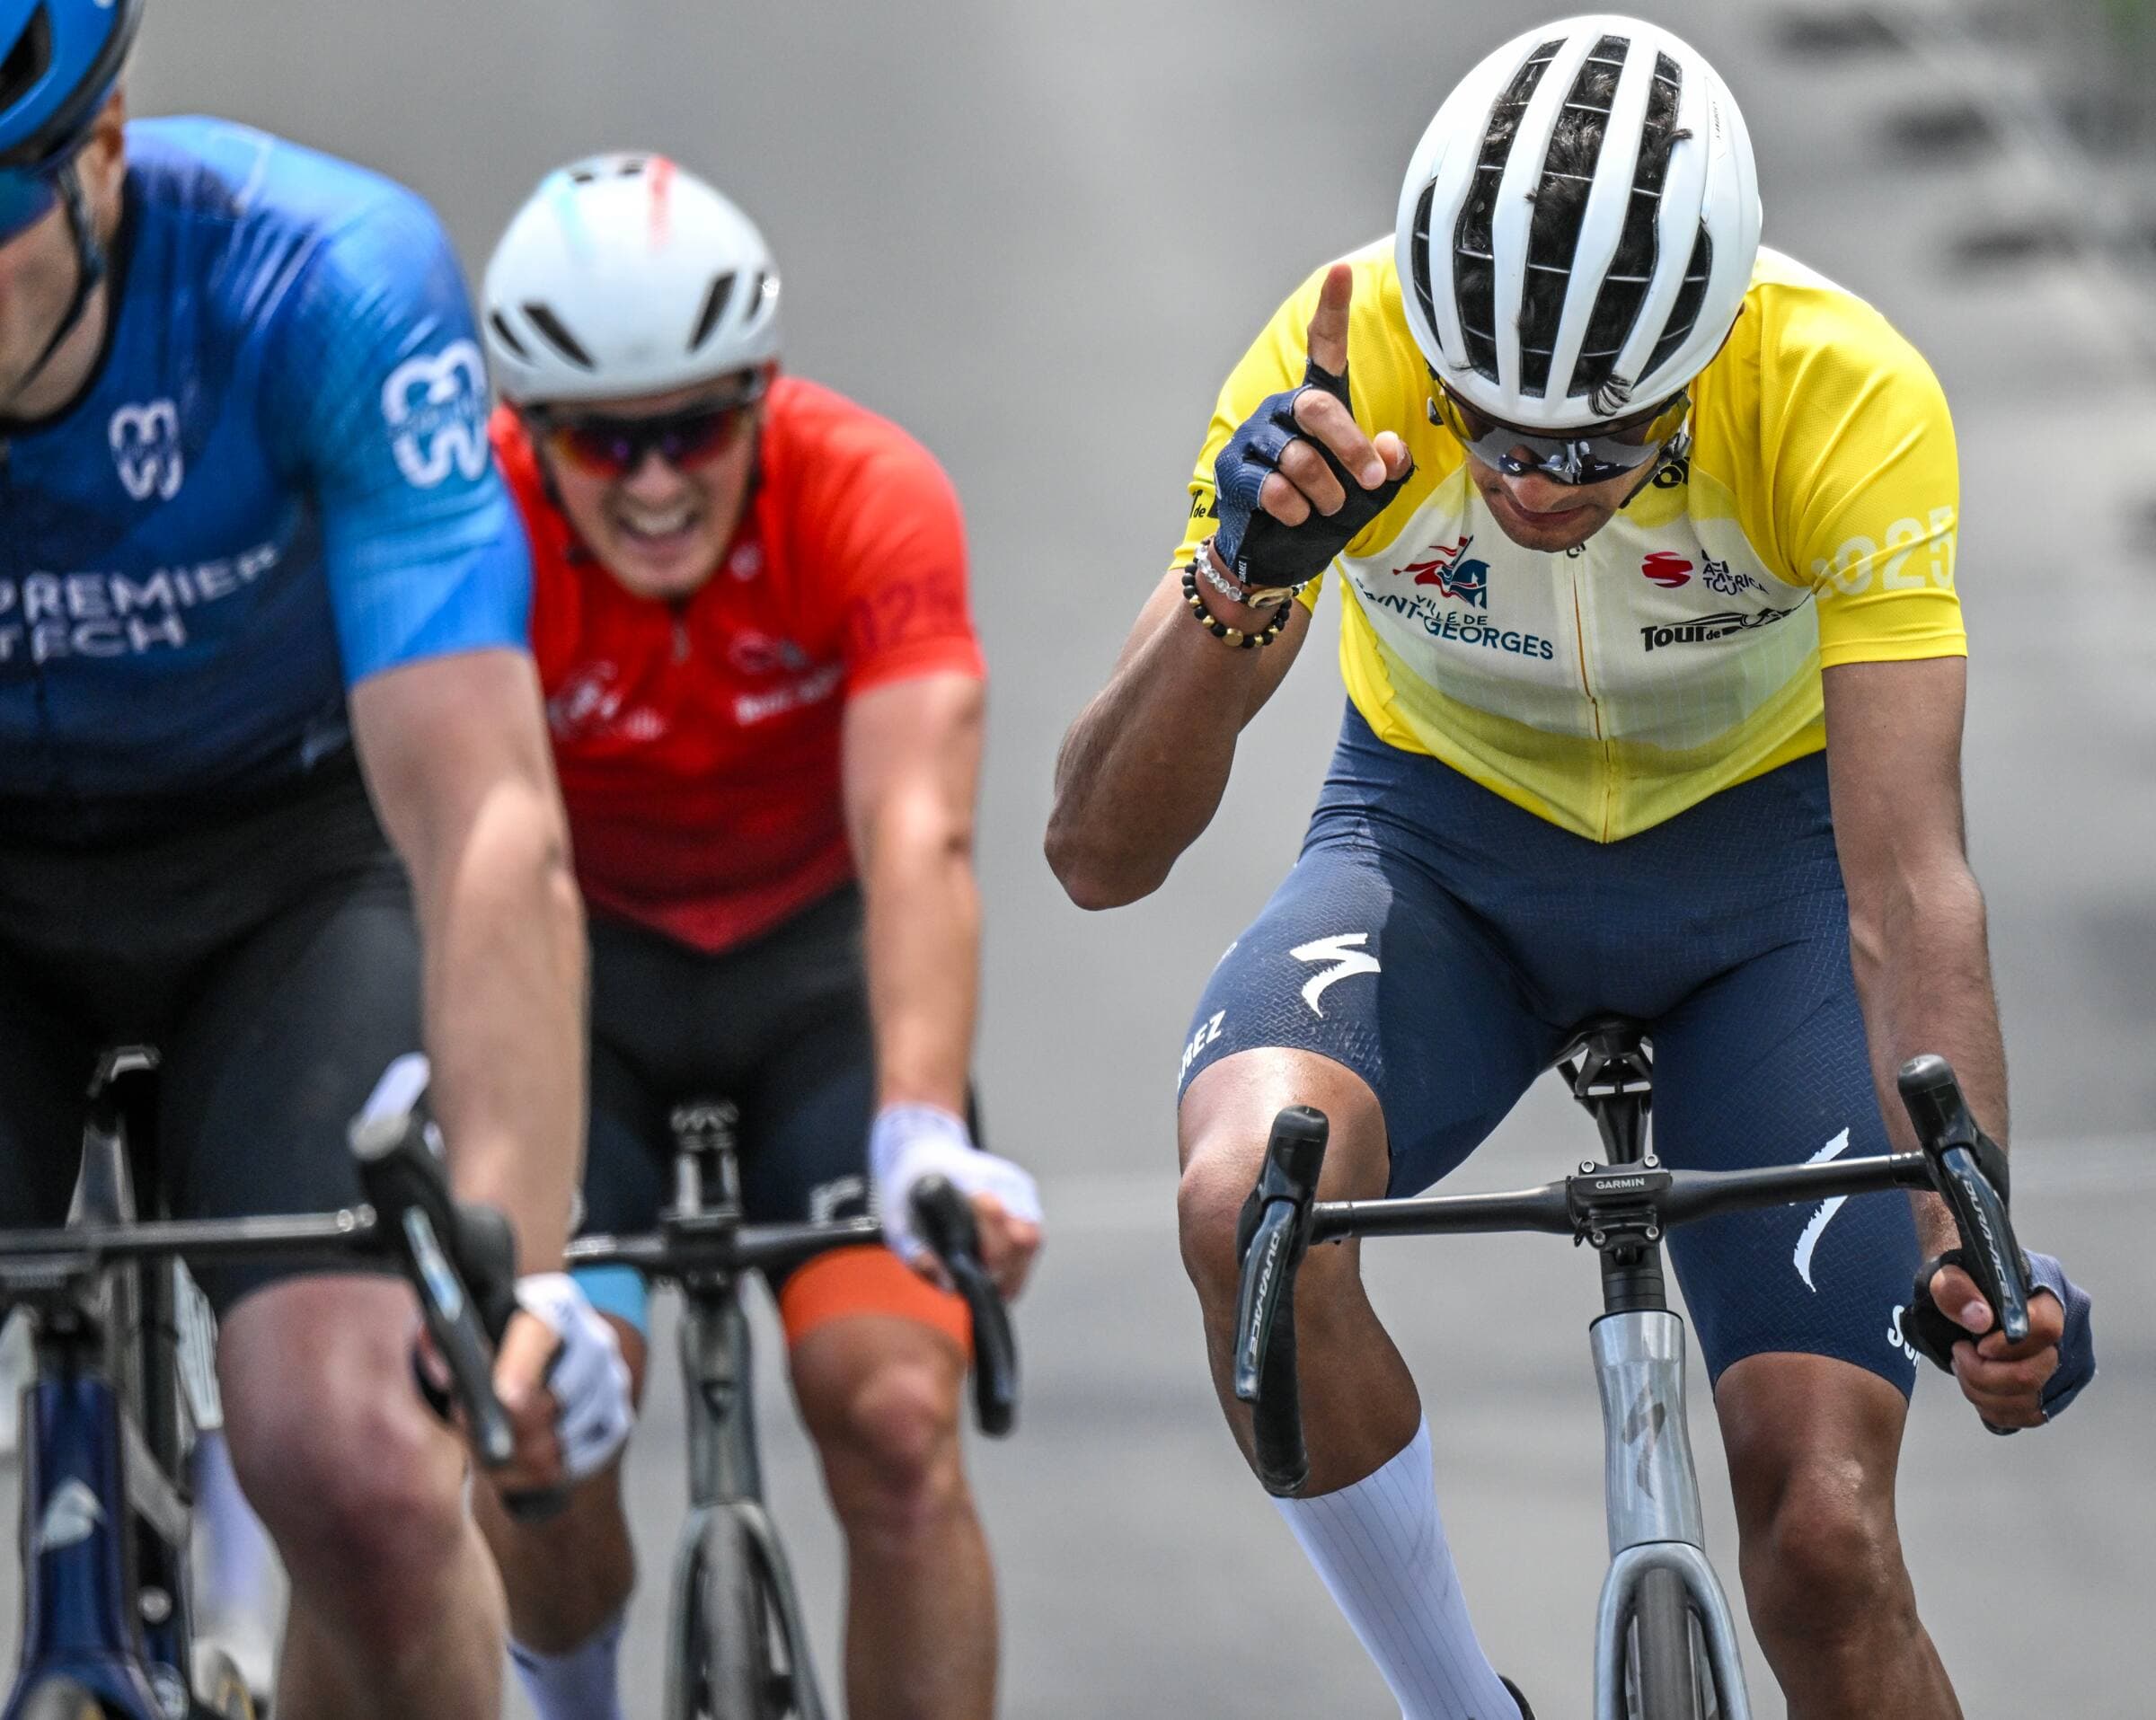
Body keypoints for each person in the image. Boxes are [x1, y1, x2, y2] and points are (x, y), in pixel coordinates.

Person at [1047, 17, 2096, 1719]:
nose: (1535, 481)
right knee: (1243, 1209)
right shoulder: (1342, 360)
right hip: (1439, 851)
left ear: (1709, 347)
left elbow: (1910, 882)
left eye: (1602, 448)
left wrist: (1971, 1231)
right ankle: (1457, 1705)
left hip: (1763, 888)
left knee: (1828, 1544)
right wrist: (1243, 581)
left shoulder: (1837, 386)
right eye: (1493, 428)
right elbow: (1099, 854)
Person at [0, 4, 632, 1716]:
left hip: (285, 873)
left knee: (359, 1463)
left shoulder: (320, 282)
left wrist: (521, 1269)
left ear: (99, 158)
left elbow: (484, 814)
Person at [477, 154, 1044, 1720]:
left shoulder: (867, 490)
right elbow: (448, 845)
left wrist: (920, 1130)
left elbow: (916, 830)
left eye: (696, 429)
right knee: (539, 1428)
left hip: (815, 973)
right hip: (571, 986)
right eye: (604, 441)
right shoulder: (468, 519)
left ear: (760, 396)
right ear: (529, 430)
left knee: (897, 1421)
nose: (656, 482)